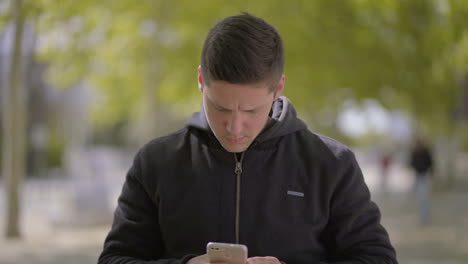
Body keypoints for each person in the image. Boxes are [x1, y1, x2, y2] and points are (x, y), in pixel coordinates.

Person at [98, 13, 397, 264]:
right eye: (220, 107)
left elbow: (377, 258)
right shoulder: (155, 162)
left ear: (278, 88)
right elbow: (115, 258)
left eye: (252, 110)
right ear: (201, 81)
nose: (235, 127)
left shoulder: (332, 164)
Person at [409, 137, 433, 224]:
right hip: (418, 176)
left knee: (424, 196)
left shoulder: (425, 151)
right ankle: (422, 215)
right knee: (420, 196)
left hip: (424, 175)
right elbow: (411, 163)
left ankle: (425, 215)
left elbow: (430, 162)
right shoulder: (414, 152)